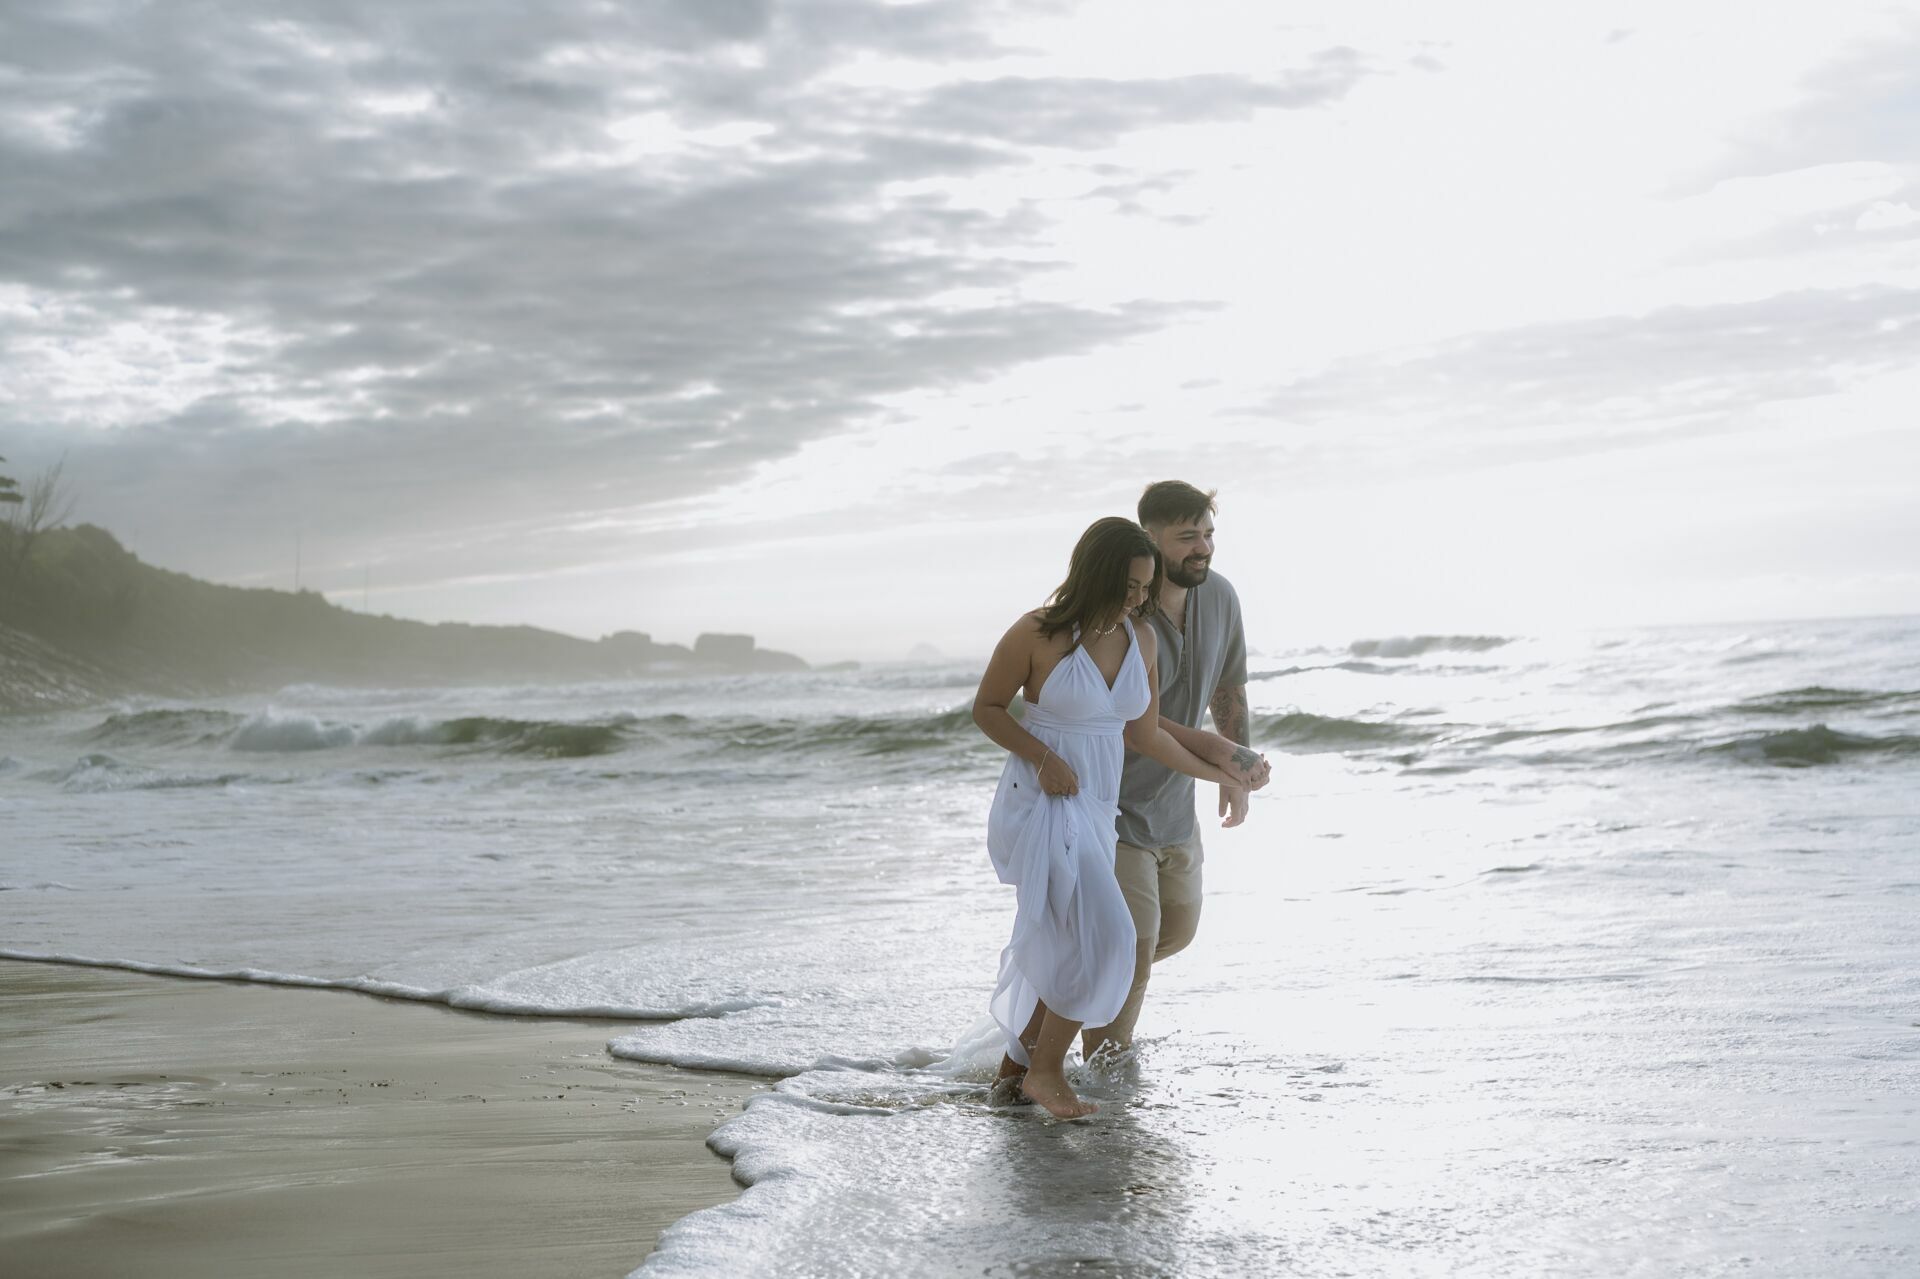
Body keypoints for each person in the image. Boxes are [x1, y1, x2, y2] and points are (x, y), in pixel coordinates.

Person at [971, 516, 1267, 1119]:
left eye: (1145, 587)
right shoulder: (1035, 632)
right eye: (1130, 585)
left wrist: (1225, 774)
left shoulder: (1141, 640)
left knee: (1065, 943)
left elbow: (1147, 735)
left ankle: (1009, 1084)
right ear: (1096, 574)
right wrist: (1044, 756)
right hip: (1041, 803)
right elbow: (989, 708)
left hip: (1099, 807)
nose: (1139, 598)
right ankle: (1048, 1073)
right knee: (1112, 938)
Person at [1080, 481, 1262, 1061]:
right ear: (1151, 541)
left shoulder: (1223, 598)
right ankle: (1102, 1072)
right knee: (1133, 944)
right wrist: (1224, 763)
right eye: (1188, 538)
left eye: (1208, 534)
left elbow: (1229, 688)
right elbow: (1143, 724)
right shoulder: (1123, 613)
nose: (1203, 548)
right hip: (1110, 803)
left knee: (1175, 933)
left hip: (1175, 805)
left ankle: (1067, 986)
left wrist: (1235, 762)